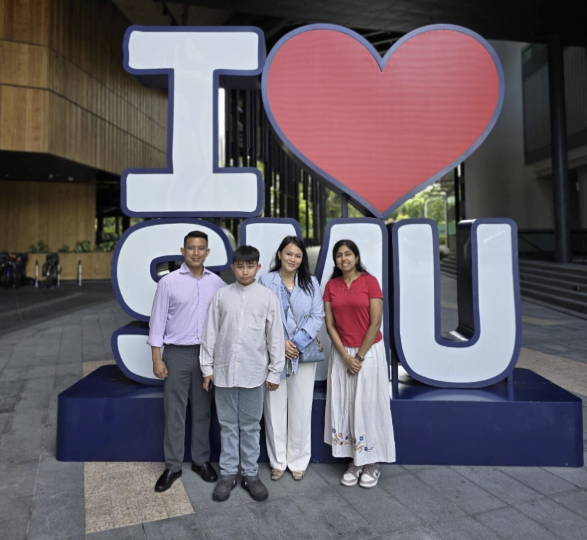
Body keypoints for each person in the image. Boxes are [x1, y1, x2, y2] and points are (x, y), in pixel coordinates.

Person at [200, 245, 285, 502]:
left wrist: (274, 372)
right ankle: (228, 475)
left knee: (250, 426)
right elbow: (210, 333)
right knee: (227, 425)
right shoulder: (222, 296)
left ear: (258, 267)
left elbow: (275, 337)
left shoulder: (268, 297)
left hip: (254, 372)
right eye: (240, 266)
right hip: (224, 371)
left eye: (250, 266)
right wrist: (207, 368)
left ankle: (250, 474)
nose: (245, 271)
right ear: (232, 268)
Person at [148, 231, 224, 492]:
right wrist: (157, 358)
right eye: (191, 248)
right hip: (176, 354)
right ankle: (173, 466)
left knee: (203, 411)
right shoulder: (168, 282)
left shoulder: (217, 283)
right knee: (174, 412)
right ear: (183, 251)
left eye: (201, 248)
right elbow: (157, 322)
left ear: (207, 252)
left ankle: (201, 461)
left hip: (206, 355)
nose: (196, 252)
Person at [323, 239, 395, 488]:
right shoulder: (331, 285)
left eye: (348, 254)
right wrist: (346, 357)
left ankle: (372, 462)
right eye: (339, 255)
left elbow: (375, 323)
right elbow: (330, 325)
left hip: (369, 352)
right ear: (335, 260)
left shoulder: (369, 282)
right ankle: (355, 460)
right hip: (342, 354)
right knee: (346, 404)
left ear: (356, 257)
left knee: (369, 405)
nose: (344, 258)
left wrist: (359, 357)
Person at [259, 236, 324, 481]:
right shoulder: (266, 281)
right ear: (279, 254)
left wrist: (295, 343)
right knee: (274, 406)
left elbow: (317, 316)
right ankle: (278, 461)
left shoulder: (311, 283)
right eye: (288, 253)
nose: (292, 259)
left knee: (301, 406)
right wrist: (280, 343)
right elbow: (261, 315)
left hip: (302, 352)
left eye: (298, 255)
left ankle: (298, 460)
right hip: (274, 353)